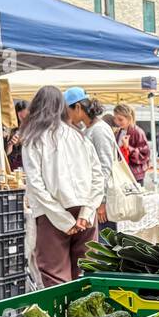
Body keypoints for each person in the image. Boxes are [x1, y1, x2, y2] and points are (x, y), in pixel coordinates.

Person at [19, 86, 104, 286]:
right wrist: (86, 213)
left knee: (55, 276)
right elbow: (98, 178)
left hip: (52, 214)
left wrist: (63, 219)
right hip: (84, 214)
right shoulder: (79, 137)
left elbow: (36, 184)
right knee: (86, 273)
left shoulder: (33, 139)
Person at [64, 88, 114, 227]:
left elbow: (105, 167)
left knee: (104, 244)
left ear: (78, 107)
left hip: (101, 200)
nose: (67, 115)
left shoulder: (99, 130)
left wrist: (101, 202)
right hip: (93, 198)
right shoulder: (88, 129)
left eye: (68, 110)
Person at [112, 103, 150, 182]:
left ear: (129, 118)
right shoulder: (119, 131)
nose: (117, 122)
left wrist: (128, 147)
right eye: (115, 119)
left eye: (120, 119)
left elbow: (144, 154)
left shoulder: (138, 132)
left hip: (134, 175)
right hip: (122, 172)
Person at [7, 100, 28, 171]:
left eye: (26, 118)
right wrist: (11, 144)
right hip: (14, 168)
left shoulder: (35, 129)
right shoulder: (11, 129)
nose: (23, 121)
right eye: (21, 118)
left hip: (29, 166)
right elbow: (7, 154)